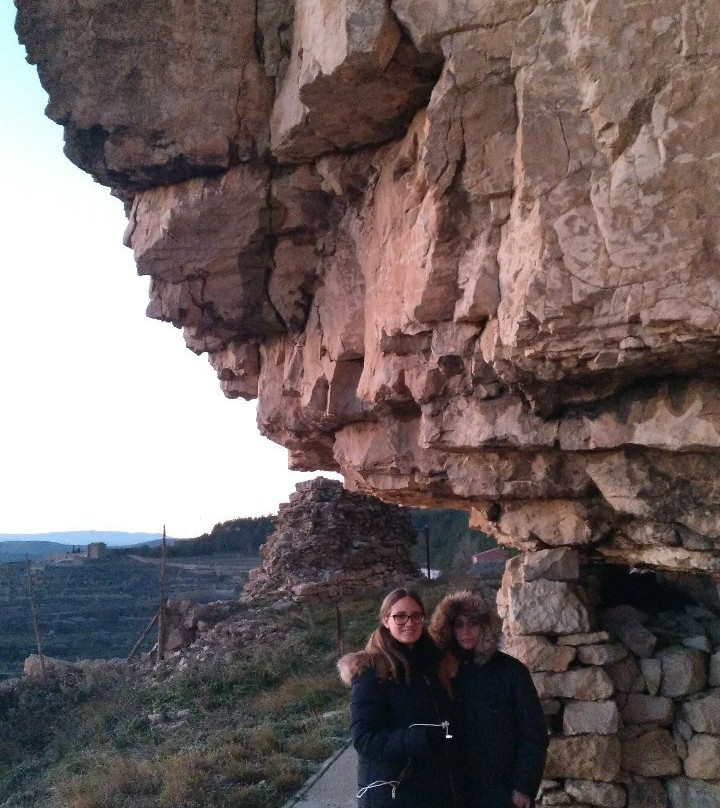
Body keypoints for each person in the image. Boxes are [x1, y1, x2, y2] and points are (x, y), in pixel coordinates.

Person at [337, 587, 462, 808]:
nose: (409, 622)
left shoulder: (432, 663)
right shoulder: (372, 669)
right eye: (400, 616)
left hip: (434, 788)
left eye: (416, 616)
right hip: (394, 792)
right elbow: (365, 738)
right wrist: (421, 739)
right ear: (386, 620)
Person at [429, 590, 547, 808]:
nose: (466, 631)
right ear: (448, 629)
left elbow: (533, 733)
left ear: (485, 625)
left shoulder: (512, 672)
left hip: (502, 791)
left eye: (473, 623)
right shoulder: (440, 674)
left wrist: (524, 785)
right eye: (459, 625)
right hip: (456, 791)